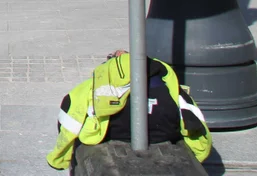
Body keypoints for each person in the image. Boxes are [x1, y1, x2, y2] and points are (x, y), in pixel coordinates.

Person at [48, 50, 211, 171]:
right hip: (162, 132)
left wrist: (59, 159)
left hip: (113, 133)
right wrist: (198, 153)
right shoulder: (165, 78)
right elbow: (192, 118)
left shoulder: (100, 80)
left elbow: (69, 118)